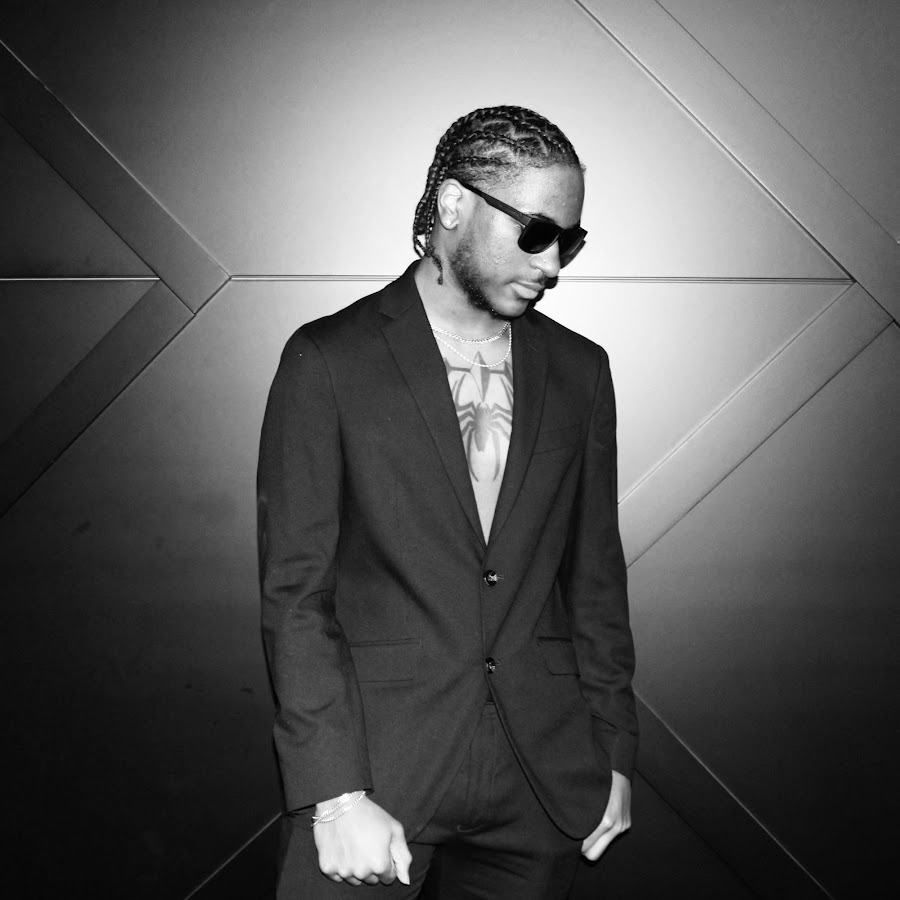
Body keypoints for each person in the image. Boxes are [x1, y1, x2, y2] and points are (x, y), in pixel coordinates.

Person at [257, 105, 638, 899]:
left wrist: (614, 754)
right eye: (536, 233)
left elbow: (596, 581)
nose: (552, 264)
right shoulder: (329, 359)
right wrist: (335, 793)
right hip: (377, 774)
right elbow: (296, 594)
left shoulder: (581, 370)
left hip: (542, 784)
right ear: (454, 204)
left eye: (568, 241)